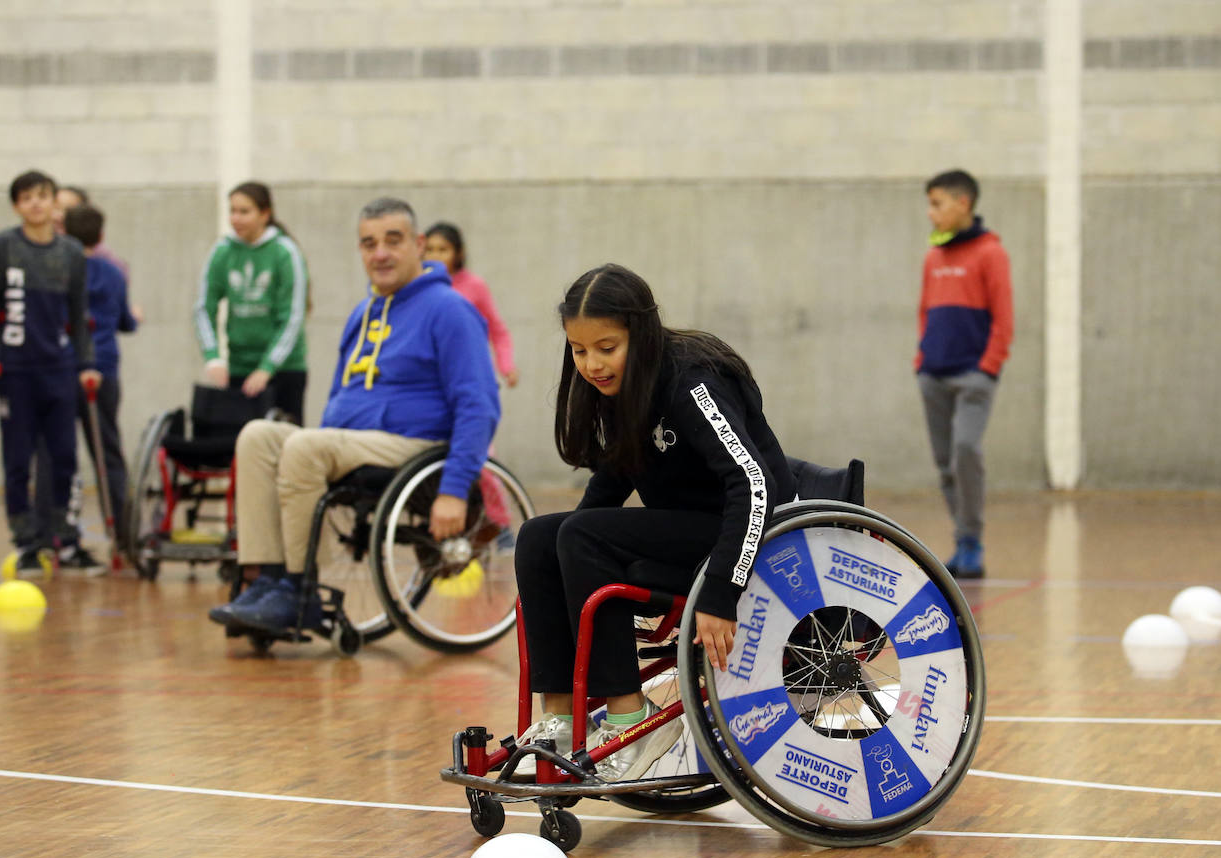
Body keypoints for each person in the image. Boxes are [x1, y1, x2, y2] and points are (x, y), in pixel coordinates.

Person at [514, 263, 796, 783]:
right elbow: (613, 477)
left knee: (579, 535)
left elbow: (755, 484)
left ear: (638, 334)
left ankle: (631, 718)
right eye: (579, 350)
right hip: (687, 529)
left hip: (746, 536)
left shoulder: (690, 378)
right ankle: (558, 716)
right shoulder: (622, 386)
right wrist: (558, 557)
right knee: (539, 537)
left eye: (606, 347)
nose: (592, 364)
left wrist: (721, 591)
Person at [209, 197, 500, 636]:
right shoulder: (361, 315)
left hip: (416, 446)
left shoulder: (450, 310)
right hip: (350, 443)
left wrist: (455, 489)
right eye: (368, 243)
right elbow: (336, 398)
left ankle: (298, 591)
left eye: (392, 241)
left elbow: (479, 404)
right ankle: (263, 581)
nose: (379, 253)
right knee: (257, 435)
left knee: (305, 446)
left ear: (419, 245)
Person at [0, 169, 102, 575]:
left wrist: (86, 364)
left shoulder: (71, 253)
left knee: (64, 457)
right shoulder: (3, 247)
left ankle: (64, 539)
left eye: (42, 196)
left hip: (59, 370)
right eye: (26, 197)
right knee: (18, 460)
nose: (35, 203)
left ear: (54, 204)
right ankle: (26, 541)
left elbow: (79, 316)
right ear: (16, 205)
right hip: (15, 370)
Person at [915, 169, 1014, 580]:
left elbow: (1004, 319)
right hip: (933, 375)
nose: (931, 213)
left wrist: (986, 368)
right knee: (944, 462)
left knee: (966, 451)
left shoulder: (991, 254)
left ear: (964, 204)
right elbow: (925, 313)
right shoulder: (933, 257)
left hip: (973, 375)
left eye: (937, 204)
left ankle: (973, 540)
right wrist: (922, 360)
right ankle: (961, 540)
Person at [193, 181, 309, 423]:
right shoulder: (222, 252)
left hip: (285, 370)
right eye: (232, 211)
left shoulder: (285, 252)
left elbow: (292, 317)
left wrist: (267, 367)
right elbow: (204, 308)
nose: (236, 218)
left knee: (285, 449)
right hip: (239, 370)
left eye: (244, 212)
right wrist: (213, 357)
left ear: (265, 214)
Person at [60, 203, 137, 552]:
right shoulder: (113, 272)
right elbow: (124, 320)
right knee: (107, 451)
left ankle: (59, 531)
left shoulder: (59, 270)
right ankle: (123, 532)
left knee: (58, 450)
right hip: (104, 367)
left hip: (65, 367)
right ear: (101, 236)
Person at [425, 222, 518, 387]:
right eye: (429, 249)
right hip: (431, 376)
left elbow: (497, 331)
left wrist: (506, 366)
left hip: (470, 374)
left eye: (442, 250)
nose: (435, 256)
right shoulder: (417, 287)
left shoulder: (474, 286)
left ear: (458, 253)